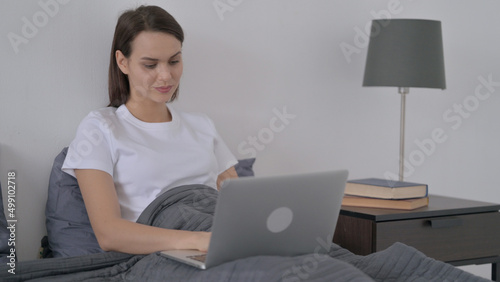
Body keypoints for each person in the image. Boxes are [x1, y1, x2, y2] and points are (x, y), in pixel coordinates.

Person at [61, 5, 238, 255]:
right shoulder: (100, 128)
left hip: (220, 242)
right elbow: (109, 234)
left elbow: (238, 206)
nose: (166, 76)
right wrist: (197, 241)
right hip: (164, 254)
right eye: (150, 65)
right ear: (123, 62)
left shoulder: (202, 125)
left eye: (174, 61)